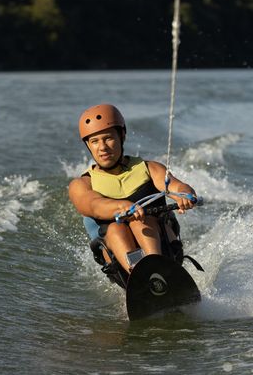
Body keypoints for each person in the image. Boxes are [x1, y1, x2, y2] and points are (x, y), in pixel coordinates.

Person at [68, 103, 197, 277]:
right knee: (115, 229)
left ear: (122, 135)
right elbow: (92, 205)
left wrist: (184, 194)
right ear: (88, 146)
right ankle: (141, 277)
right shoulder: (81, 185)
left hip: (164, 248)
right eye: (94, 141)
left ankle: (156, 269)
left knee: (141, 221)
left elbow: (175, 185)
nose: (102, 147)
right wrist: (122, 207)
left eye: (108, 138)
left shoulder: (149, 168)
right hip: (119, 263)